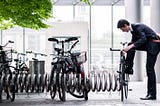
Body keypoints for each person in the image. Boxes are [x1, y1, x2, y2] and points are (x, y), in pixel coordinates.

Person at [117, 19, 160, 100]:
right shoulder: (133, 30)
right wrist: (126, 50)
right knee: (130, 45)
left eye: (122, 29)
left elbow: (143, 39)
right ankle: (129, 68)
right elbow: (133, 42)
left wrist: (130, 47)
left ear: (126, 25)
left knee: (150, 69)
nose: (122, 31)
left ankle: (152, 94)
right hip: (148, 44)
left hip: (154, 45)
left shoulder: (137, 27)